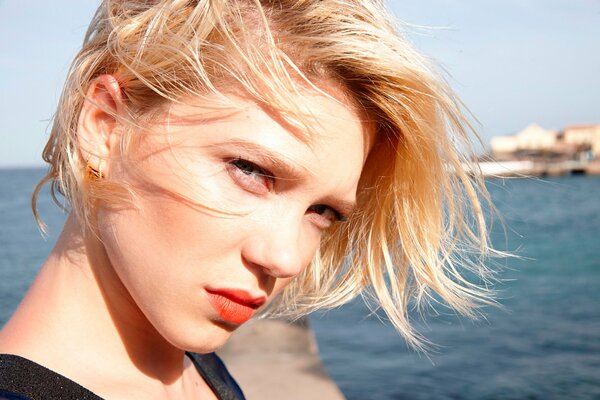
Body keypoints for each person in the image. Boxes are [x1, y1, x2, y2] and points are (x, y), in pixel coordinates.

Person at [0, 0, 495, 399]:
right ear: (106, 125)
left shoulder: (199, 373)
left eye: (323, 212)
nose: (286, 259)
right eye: (251, 170)